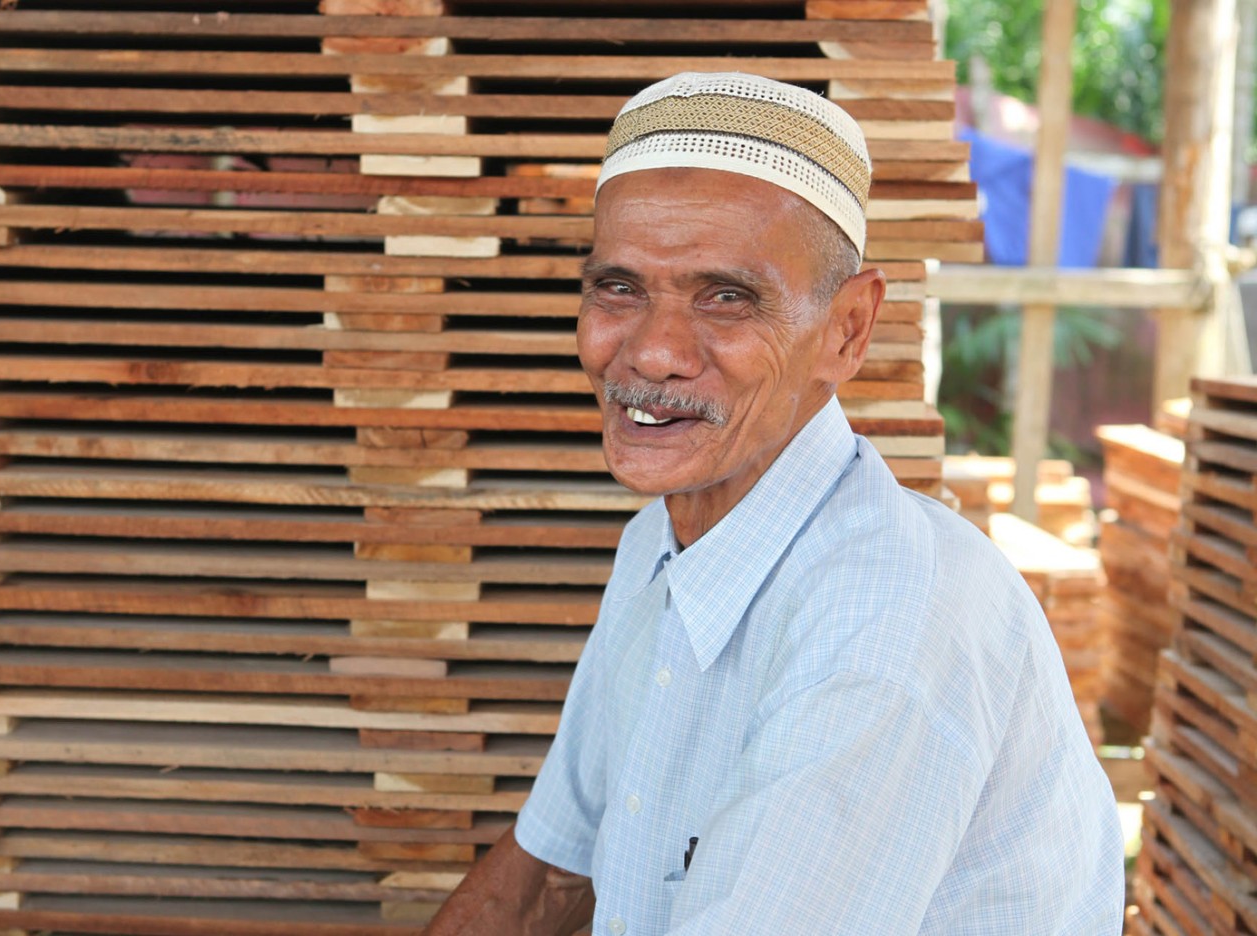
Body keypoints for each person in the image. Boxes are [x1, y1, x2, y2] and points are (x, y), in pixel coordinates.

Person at [424, 71, 1124, 935]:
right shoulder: (656, 546)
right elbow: (551, 876)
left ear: (847, 331)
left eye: (727, 298)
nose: (653, 352)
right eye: (619, 288)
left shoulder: (887, 627)